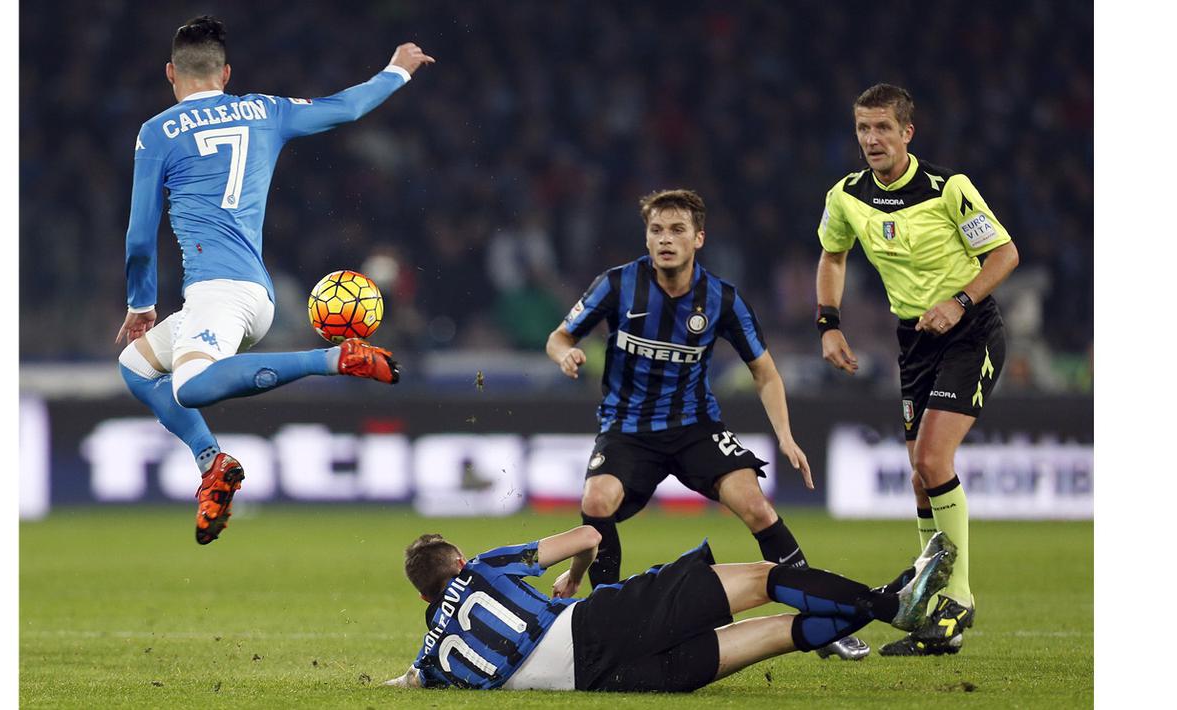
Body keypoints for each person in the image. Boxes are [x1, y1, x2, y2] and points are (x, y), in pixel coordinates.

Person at [114, 16, 434, 544]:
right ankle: (212, 463)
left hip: (221, 293)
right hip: (243, 291)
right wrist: (396, 70)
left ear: (171, 72)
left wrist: (140, 302)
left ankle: (332, 359)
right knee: (136, 366)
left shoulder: (157, 132)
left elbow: (140, 235)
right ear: (226, 74)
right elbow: (345, 108)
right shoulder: (263, 110)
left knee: (189, 387)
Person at [544, 189, 867, 660]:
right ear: (646, 238)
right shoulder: (617, 285)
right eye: (656, 230)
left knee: (757, 508)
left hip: (695, 426)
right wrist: (565, 354)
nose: (665, 239)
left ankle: (825, 619)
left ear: (698, 238)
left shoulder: (722, 299)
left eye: (677, 230)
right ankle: (607, 622)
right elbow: (558, 336)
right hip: (627, 429)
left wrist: (785, 435)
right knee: (596, 500)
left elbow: (764, 372)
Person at [814, 83, 1020, 655]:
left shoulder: (948, 188)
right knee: (918, 475)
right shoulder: (846, 196)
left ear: (907, 132)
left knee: (932, 461)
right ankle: (929, 597)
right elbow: (833, 255)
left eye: (883, 127)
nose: (872, 138)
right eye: (863, 128)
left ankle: (957, 598)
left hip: (969, 332)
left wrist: (960, 301)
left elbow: (1004, 254)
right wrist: (828, 323)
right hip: (915, 340)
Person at [384, 526, 955, 691]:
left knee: (779, 632)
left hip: (608, 682)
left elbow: (404, 681)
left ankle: (892, 598)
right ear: (458, 563)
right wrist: (574, 577)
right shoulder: (482, 567)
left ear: (424, 598)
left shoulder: (432, 660)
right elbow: (589, 536)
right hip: (597, 624)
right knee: (763, 580)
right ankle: (892, 605)